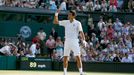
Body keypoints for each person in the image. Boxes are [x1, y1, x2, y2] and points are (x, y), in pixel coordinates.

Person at [53, 9, 86, 75]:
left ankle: (81, 72)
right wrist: (56, 14)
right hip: (67, 41)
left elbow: (81, 32)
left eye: (70, 14)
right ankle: (65, 73)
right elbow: (55, 22)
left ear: (73, 16)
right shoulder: (66, 22)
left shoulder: (78, 23)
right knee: (65, 57)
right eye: (68, 14)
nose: (68, 15)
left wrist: (84, 40)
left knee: (78, 57)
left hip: (75, 41)